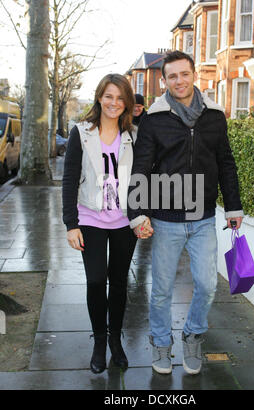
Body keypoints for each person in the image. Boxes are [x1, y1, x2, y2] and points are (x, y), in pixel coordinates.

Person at [127, 51, 244, 375]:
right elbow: (141, 167)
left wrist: (233, 205)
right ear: (164, 81)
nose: (179, 81)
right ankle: (161, 344)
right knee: (162, 290)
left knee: (207, 285)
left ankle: (193, 335)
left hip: (204, 219)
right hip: (166, 220)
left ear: (194, 76)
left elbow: (226, 164)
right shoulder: (154, 119)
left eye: (184, 74)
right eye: (172, 76)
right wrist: (137, 214)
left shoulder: (215, 117)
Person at [62, 73, 138, 374]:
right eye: (109, 96)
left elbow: (143, 177)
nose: (114, 102)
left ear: (127, 103)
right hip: (90, 219)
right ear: (99, 97)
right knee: (96, 281)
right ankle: (99, 341)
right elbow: (69, 179)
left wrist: (141, 215)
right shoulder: (81, 133)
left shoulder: (134, 135)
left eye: (120, 98)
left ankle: (116, 340)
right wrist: (71, 223)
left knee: (119, 283)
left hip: (123, 222)